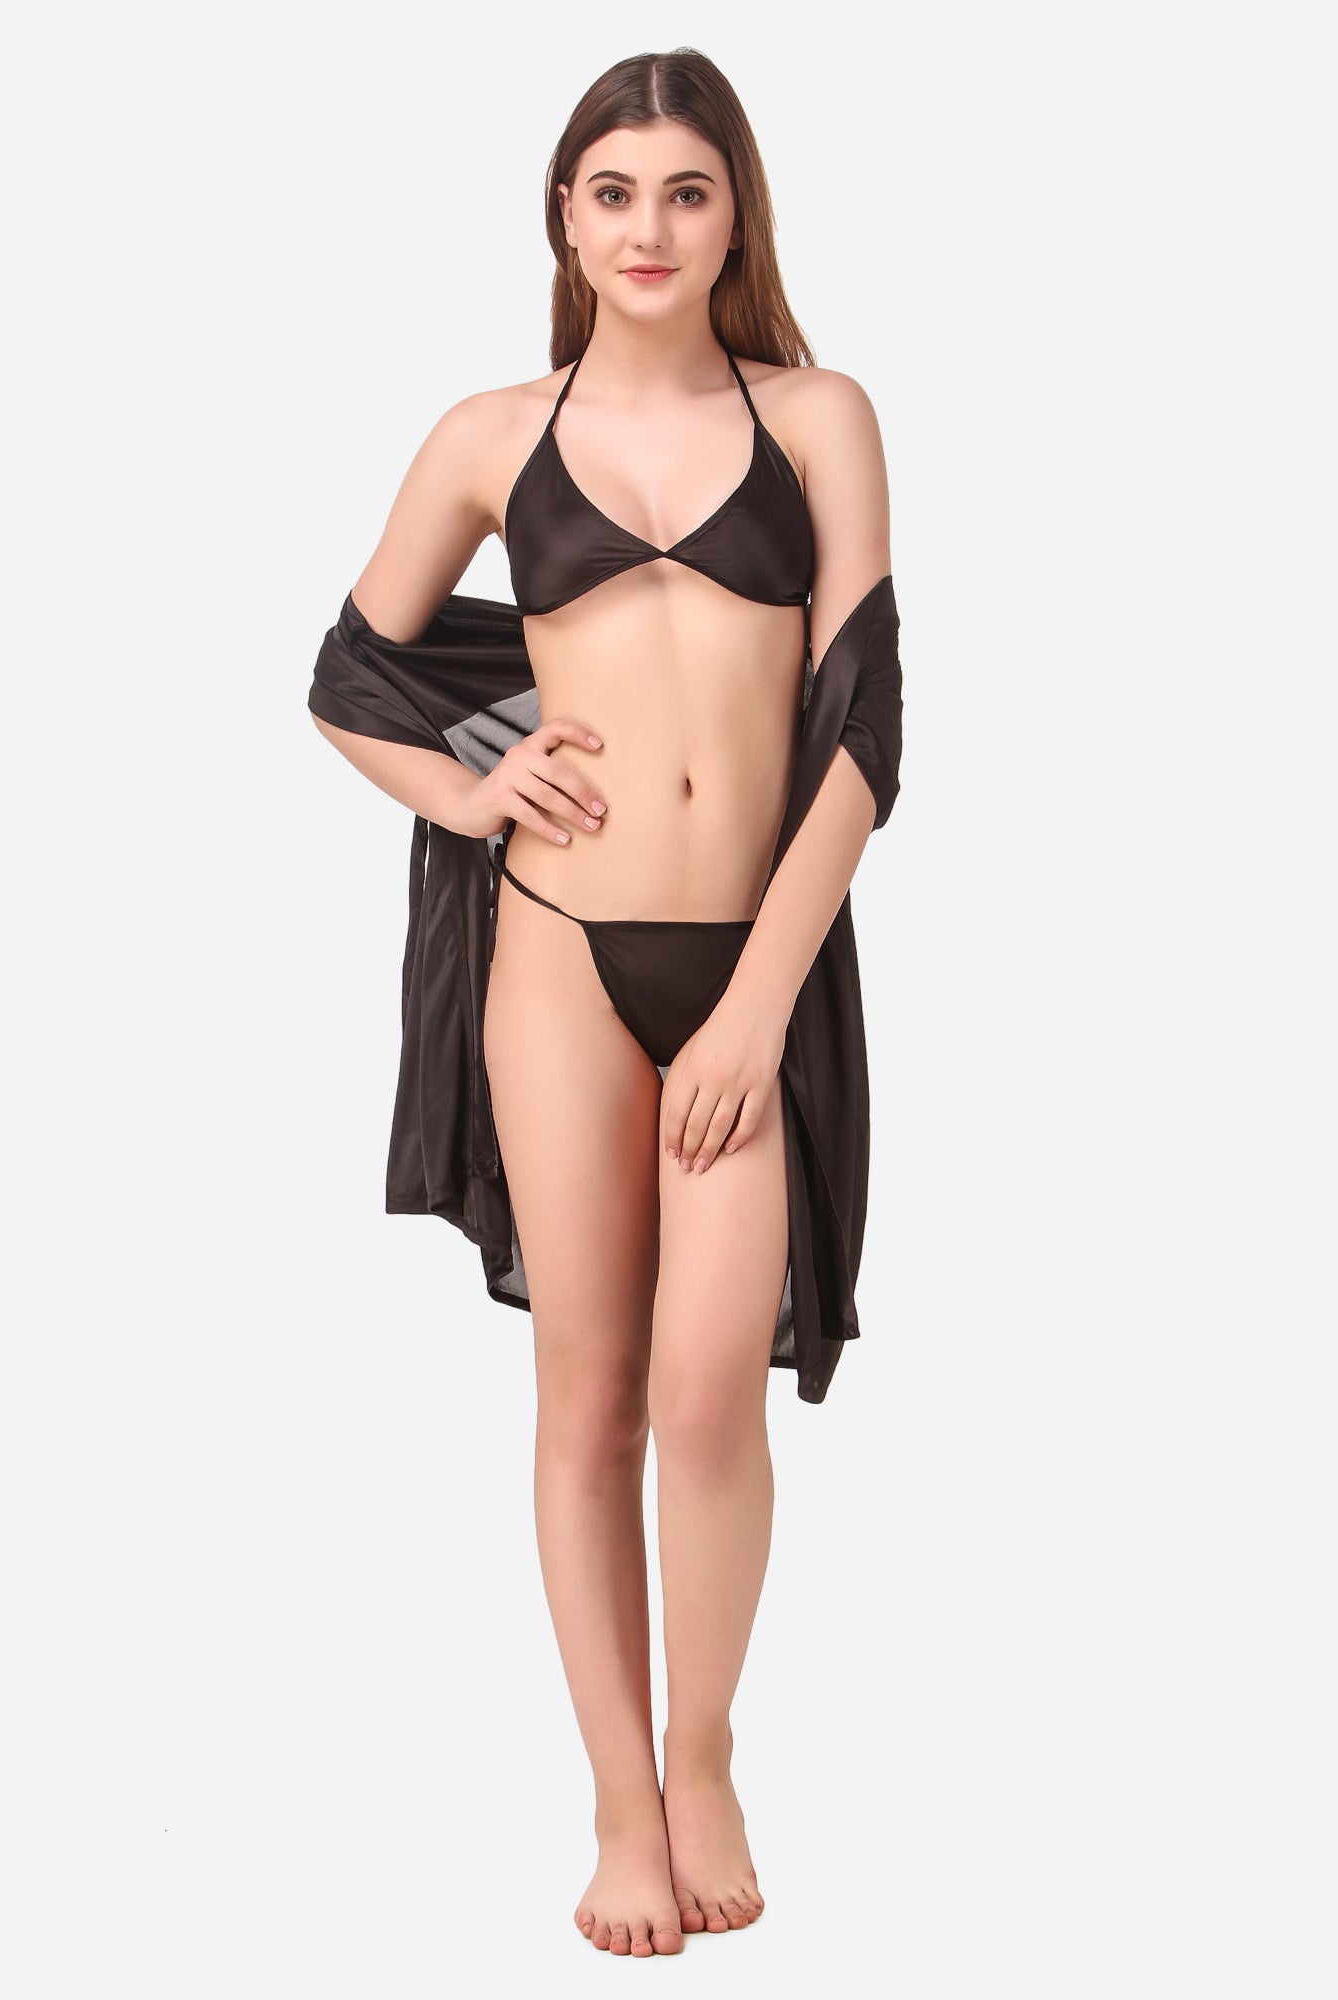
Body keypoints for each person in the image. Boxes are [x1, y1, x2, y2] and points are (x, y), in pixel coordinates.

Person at [307, 47, 903, 1958]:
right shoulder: (493, 436)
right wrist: (472, 795)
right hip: (559, 957)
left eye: (687, 192)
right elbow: (347, 672)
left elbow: (865, 733)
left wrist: (756, 1011)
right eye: (615, 192)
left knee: (711, 1390)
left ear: (736, 218)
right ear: (565, 219)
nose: (650, 228)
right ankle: (620, 1802)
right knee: (590, 1397)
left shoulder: (818, 418)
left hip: (746, 966)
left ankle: (704, 1752)